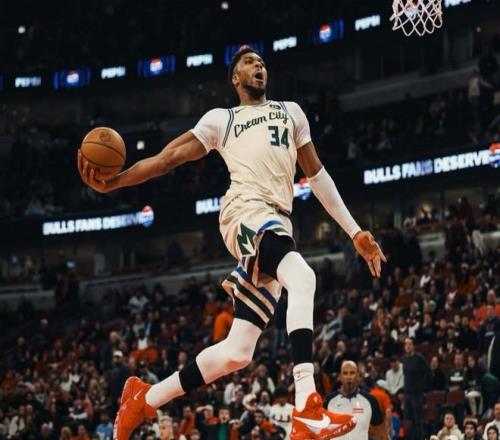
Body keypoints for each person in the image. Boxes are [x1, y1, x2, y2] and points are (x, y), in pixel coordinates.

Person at [79, 45, 387, 440]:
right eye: (249, 62)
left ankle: (145, 398)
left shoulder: (291, 112)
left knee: (237, 352)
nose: (258, 66)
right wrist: (116, 182)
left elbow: (318, 176)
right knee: (303, 277)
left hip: (277, 222)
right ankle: (307, 405)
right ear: (235, 78)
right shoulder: (221, 119)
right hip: (244, 212)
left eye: (261, 62)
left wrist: (355, 231)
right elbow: (167, 158)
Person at [324, 361, 385, 439]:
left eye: (352, 373)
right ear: (340, 377)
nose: (348, 377)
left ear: (358, 376)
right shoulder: (328, 401)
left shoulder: (370, 400)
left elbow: (381, 434)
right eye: (345, 373)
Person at [402, 337, 431, 440]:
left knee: (417, 419)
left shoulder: (419, 358)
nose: (408, 346)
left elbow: (428, 373)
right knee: (407, 419)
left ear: (413, 346)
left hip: (417, 394)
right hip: (407, 393)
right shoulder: (404, 359)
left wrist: (423, 387)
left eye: (410, 344)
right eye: (406, 344)